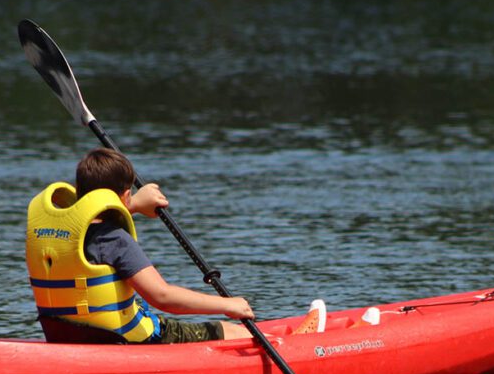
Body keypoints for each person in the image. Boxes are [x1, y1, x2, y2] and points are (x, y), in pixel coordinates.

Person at [25, 147, 322, 344]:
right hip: (128, 341)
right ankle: (294, 345)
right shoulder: (116, 240)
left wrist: (134, 207)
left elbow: (92, 225)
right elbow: (162, 296)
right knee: (230, 332)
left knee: (226, 329)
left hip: (71, 341)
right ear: (126, 194)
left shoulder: (62, 236)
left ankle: (290, 337)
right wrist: (226, 305)